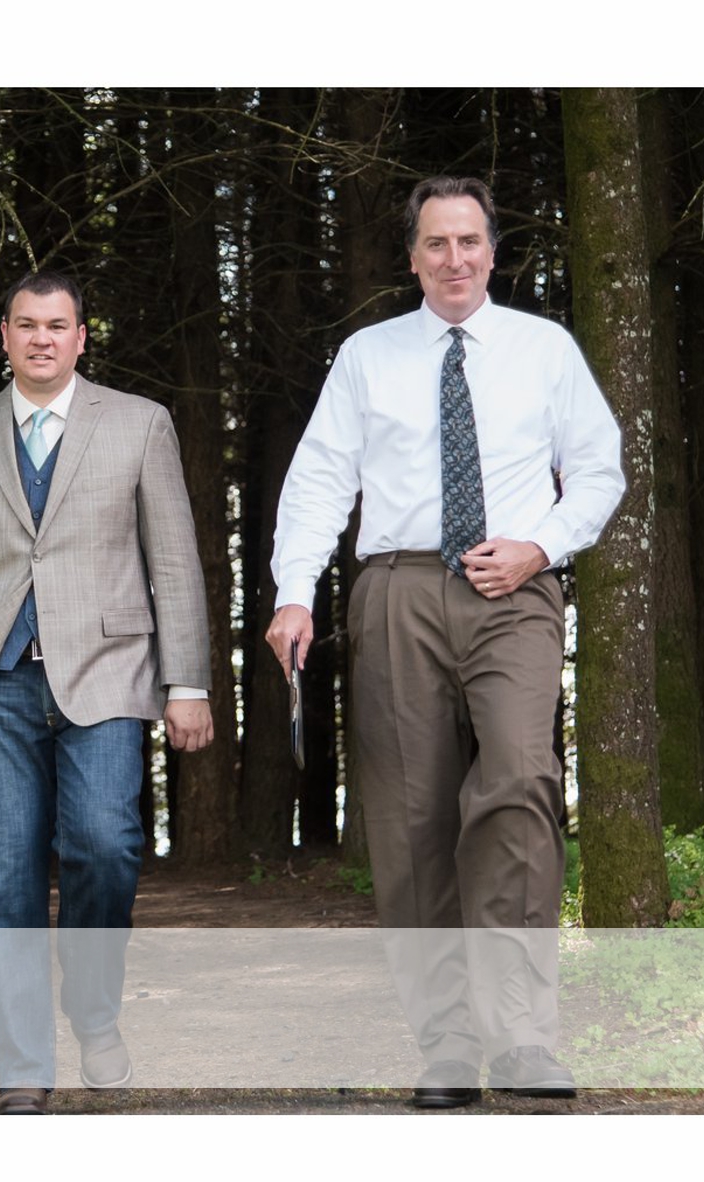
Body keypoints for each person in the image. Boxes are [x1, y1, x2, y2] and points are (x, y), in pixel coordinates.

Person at [264, 176, 624, 1109]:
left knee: (516, 783)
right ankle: (448, 1049)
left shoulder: (543, 349)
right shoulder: (368, 356)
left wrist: (541, 543)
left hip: (515, 588)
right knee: (412, 816)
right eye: (436, 243)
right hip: (397, 589)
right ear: (414, 256)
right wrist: (294, 594)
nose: (454, 259)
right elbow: (317, 481)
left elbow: (598, 468)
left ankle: (526, 1039)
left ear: (492, 251)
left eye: (469, 241)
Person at [0, 270, 215, 1115]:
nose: (42, 339)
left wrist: (187, 683)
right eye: (26, 325)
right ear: (2, 336)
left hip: (108, 674)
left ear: (81, 336)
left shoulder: (141, 425)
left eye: (58, 325)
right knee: (4, 878)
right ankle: (24, 1069)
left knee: (105, 845)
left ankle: (95, 1011)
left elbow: (174, 561)